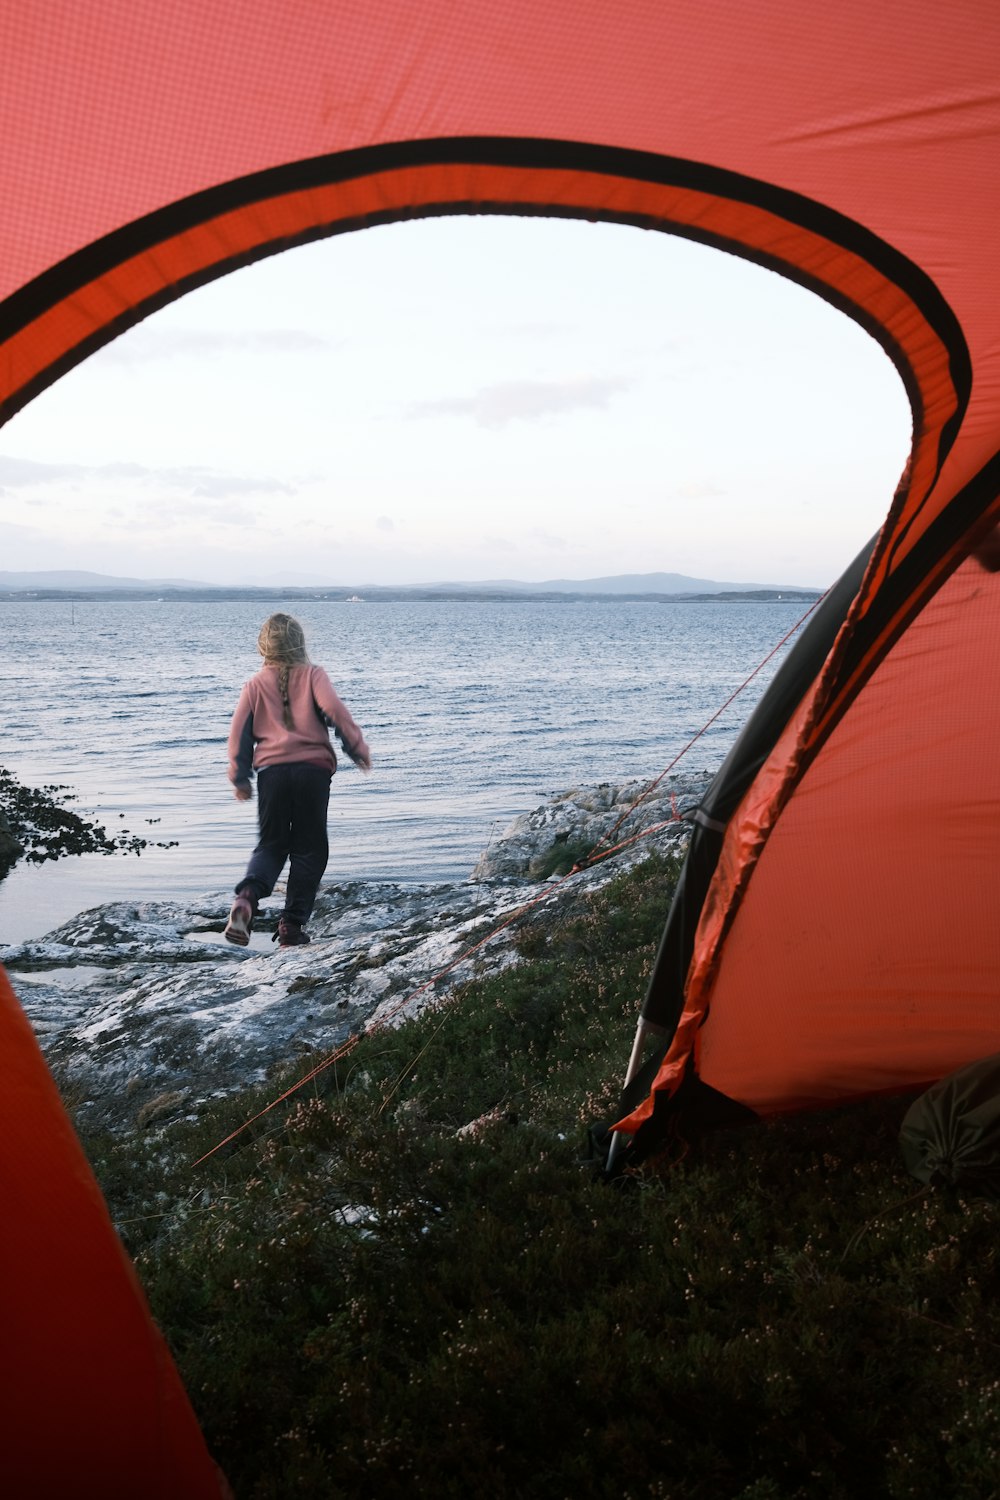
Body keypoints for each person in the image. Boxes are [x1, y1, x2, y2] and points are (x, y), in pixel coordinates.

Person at [224, 613, 371, 948]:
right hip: (312, 773)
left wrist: (239, 777)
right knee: (310, 848)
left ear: (263, 646)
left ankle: (247, 897)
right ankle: (291, 925)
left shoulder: (254, 685)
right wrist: (356, 747)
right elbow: (336, 711)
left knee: (272, 844)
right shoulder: (314, 676)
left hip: (272, 775)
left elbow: (238, 735)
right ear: (300, 643)